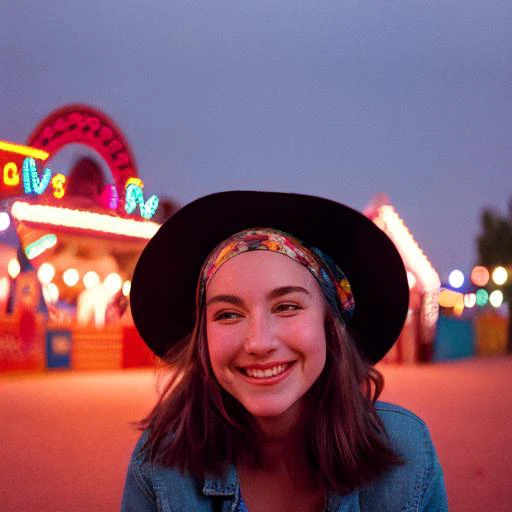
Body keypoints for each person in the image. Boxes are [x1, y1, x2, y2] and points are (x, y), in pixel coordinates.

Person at [121, 191, 448, 511]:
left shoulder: (406, 455)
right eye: (228, 314)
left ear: (330, 323)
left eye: (287, 306)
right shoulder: (161, 464)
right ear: (202, 337)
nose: (259, 343)